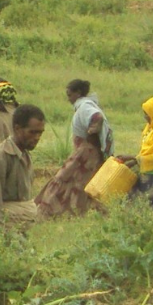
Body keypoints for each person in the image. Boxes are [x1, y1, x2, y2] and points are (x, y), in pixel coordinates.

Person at [37, 79, 112, 218]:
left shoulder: (84, 106)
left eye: (69, 95)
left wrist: (92, 130)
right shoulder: (84, 105)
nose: (68, 99)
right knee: (83, 183)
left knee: (64, 179)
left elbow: (97, 117)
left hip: (86, 153)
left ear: (78, 93)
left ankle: (48, 210)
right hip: (88, 153)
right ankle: (79, 212)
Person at [0, 104, 47, 245]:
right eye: (32, 132)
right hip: (0, 232)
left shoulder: (24, 155)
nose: (37, 137)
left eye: (40, 133)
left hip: (17, 231)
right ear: (17, 129)